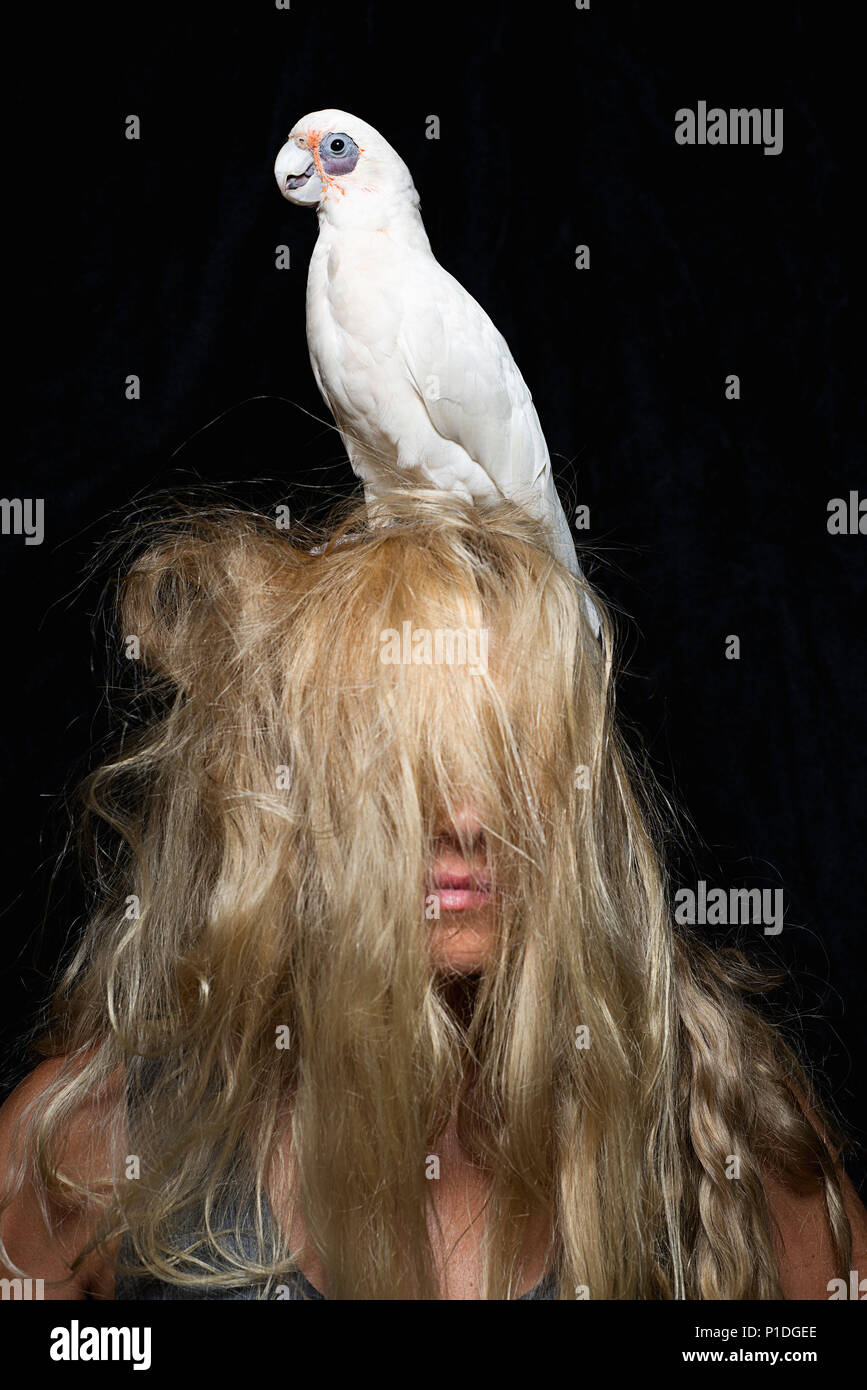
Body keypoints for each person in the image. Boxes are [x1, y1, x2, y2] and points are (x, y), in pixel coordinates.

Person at [1, 488, 865, 1300]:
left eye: (507, 749)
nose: (466, 818)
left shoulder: (722, 1127)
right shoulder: (91, 1141)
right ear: (290, 793)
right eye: (400, 758)